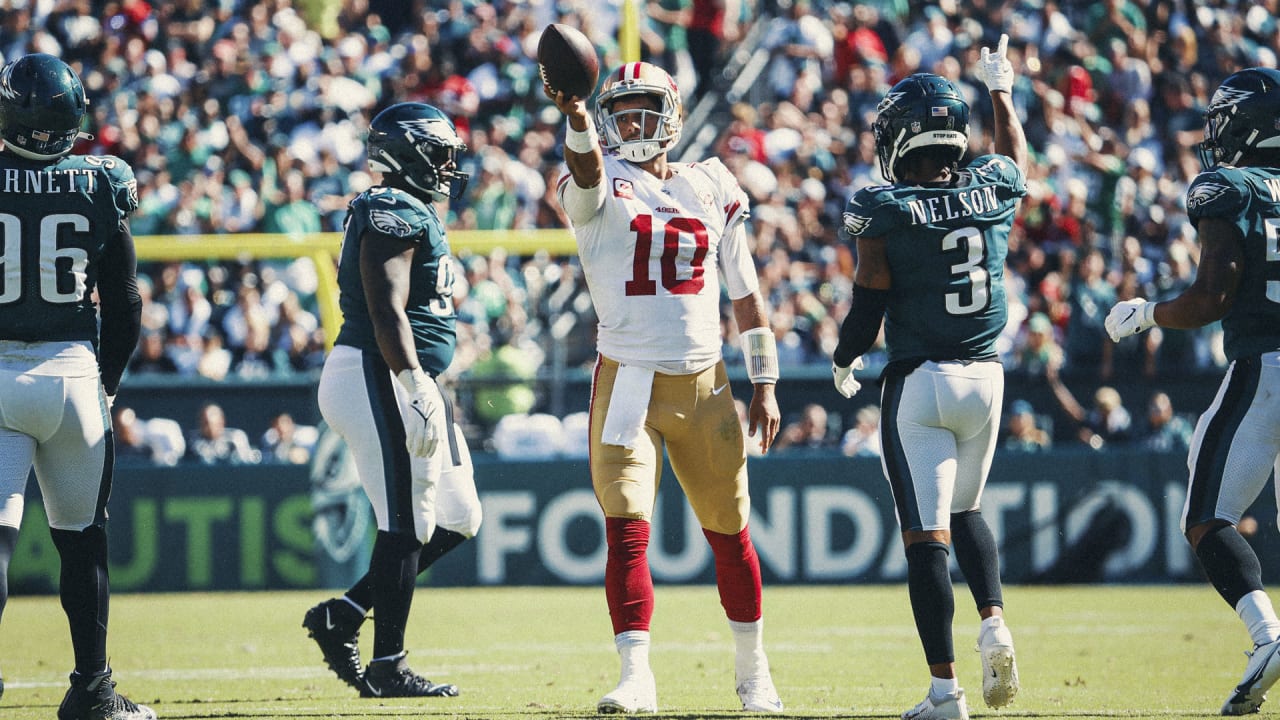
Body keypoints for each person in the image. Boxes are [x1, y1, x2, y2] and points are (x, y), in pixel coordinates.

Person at [546, 60, 784, 714]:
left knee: (730, 532)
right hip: (627, 378)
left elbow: (746, 293)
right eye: (620, 111)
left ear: (672, 113)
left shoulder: (712, 183)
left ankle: (752, 668)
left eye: (644, 108)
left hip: (706, 380)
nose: (632, 122)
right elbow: (588, 170)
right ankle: (636, 676)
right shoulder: (597, 179)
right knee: (626, 528)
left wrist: (764, 380)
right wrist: (572, 115)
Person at [830, 36, 1027, 720]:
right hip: (988, 382)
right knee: (968, 511)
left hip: (920, 385)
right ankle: (995, 619)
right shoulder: (992, 187)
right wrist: (1000, 90)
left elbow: (870, 300)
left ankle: (946, 692)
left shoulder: (885, 209)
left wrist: (843, 357)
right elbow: (1015, 161)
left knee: (925, 537)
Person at [1104, 66, 1280, 716]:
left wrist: (1147, 313)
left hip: (1265, 366)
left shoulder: (1228, 186)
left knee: (1205, 517)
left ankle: (1267, 635)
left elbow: (1212, 297)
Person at [303, 101, 483, 699]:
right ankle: (389, 665)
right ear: (407, 153)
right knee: (406, 522)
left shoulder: (410, 208)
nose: (448, 165)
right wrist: (411, 380)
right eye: (439, 153)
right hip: (378, 371)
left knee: (458, 516)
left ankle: (346, 614)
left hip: (404, 375)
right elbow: (386, 308)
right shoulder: (392, 209)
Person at [0, 54, 153, 719]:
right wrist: (107, 385)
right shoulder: (102, 180)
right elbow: (124, 302)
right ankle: (92, 690)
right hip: (72, 377)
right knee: (84, 541)